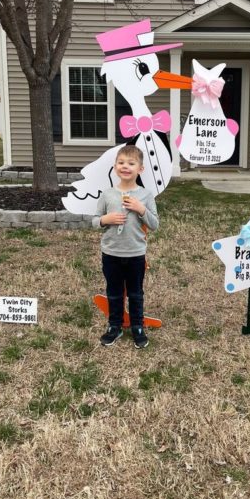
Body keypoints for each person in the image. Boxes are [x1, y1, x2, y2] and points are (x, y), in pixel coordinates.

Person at [92, 145, 159, 349]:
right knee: (113, 291)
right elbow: (95, 221)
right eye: (121, 163)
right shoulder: (108, 194)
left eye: (131, 163)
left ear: (140, 169)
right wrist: (106, 219)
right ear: (115, 167)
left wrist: (141, 209)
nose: (125, 166)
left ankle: (137, 326)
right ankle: (115, 326)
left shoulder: (146, 195)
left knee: (135, 292)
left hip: (135, 253)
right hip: (111, 253)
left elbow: (155, 224)